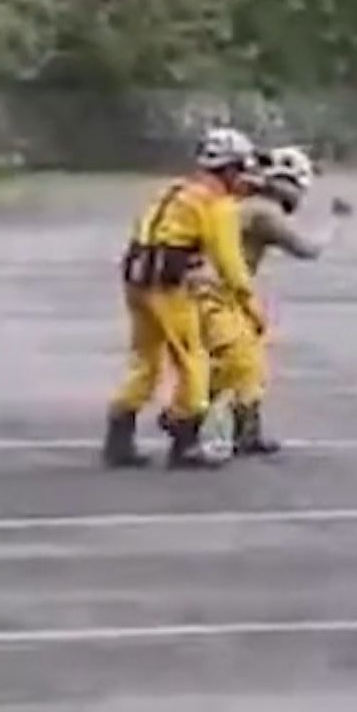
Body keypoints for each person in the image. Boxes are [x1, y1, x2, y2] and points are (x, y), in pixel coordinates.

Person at [104, 127, 262, 470]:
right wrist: (249, 305)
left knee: (145, 361)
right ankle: (184, 438)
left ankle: (118, 436)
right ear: (229, 169)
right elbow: (230, 264)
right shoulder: (216, 205)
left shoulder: (175, 191)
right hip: (167, 287)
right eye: (242, 170)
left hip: (136, 281)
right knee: (193, 361)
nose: (244, 179)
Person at [200, 145, 352, 457]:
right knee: (241, 363)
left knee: (244, 362)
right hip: (217, 292)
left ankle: (237, 427)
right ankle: (188, 416)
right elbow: (308, 248)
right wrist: (336, 222)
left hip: (223, 292)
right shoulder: (263, 211)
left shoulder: (247, 204)